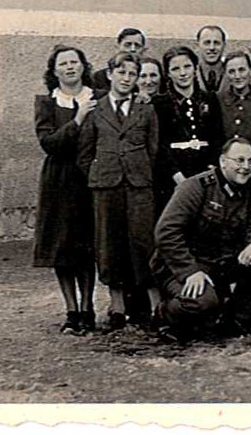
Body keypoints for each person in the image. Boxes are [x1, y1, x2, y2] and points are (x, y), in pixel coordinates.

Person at [152, 137, 251, 342]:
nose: (245, 167)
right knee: (202, 303)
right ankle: (165, 314)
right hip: (182, 265)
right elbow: (166, 232)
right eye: (239, 160)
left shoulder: (247, 190)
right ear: (223, 162)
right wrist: (189, 272)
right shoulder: (196, 187)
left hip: (218, 264)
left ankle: (235, 319)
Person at [77, 51, 161, 332]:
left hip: (139, 185)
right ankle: (117, 306)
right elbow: (85, 153)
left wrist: (140, 171)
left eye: (133, 74)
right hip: (106, 186)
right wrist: (100, 175)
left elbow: (153, 148)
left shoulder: (145, 109)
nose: (127, 79)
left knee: (143, 241)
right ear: (110, 74)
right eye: (122, 73)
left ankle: (154, 304)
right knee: (109, 243)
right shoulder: (95, 109)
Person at [34, 45, 98, 335]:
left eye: (75, 62)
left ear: (83, 67)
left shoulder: (97, 98)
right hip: (59, 180)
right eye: (64, 63)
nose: (70, 67)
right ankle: (71, 310)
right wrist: (78, 119)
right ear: (55, 70)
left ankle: (88, 309)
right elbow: (50, 143)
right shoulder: (46, 103)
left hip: (88, 179)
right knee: (62, 248)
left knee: (86, 247)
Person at [153, 46, 224, 216]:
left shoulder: (210, 99)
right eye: (175, 69)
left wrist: (210, 171)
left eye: (187, 67)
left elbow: (218, 137)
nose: (183, 73)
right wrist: (177, 176)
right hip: (174, 176)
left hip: (206, 173)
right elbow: (160, 144)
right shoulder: (159, 104)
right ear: (168, 74)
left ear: (195, 68)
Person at [194, 25, 227, 94]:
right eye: (207, 43)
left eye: (216, 43)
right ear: (197, 46)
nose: (212, 48)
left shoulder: (233, 74)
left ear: (224, 46)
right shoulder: (190, 74)